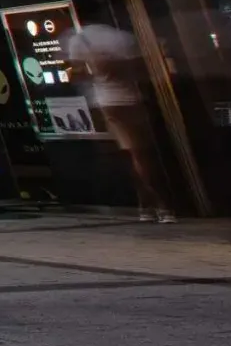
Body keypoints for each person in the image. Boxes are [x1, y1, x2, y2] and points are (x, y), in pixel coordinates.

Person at [64, 20, 173, 221]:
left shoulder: (79, 40)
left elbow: (75, 74)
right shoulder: (122, 37)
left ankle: (152, 206)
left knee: (134, 156)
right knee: (141, 154)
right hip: (132, 99)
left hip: (106, 102)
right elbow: (143, 67)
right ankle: (158, 206)